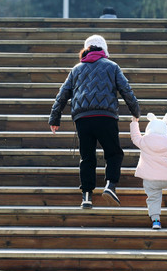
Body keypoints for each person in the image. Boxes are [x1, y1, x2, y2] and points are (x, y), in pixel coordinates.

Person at [49, 35, 140, 209]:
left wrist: (55, 118)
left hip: (83, 118)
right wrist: (136, 112)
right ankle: (110, 185)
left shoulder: (76, 69)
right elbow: (126, 91)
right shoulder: (112, 67)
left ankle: (86, 196)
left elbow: (62, 94)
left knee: (87, 157)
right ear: (104, 50)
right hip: (106, 116)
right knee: (114, 153)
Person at [130, 112, 167, 229]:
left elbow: (135, 137)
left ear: (149, 128)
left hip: (150, 180)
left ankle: (156, 221)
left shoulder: (143, 142)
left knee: (153, 199)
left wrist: (134, 123)